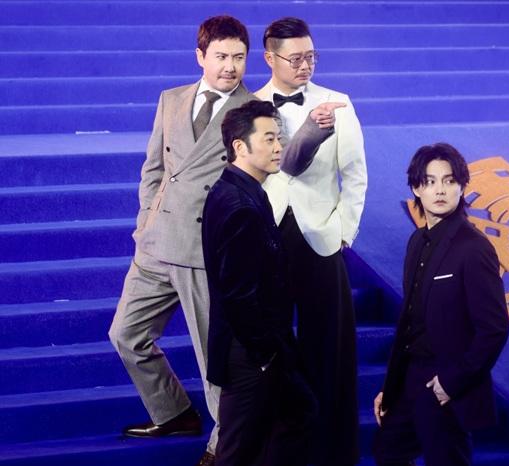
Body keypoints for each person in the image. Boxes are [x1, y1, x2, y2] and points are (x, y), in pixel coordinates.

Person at [108, 15, 340, 466]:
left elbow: (287, 159)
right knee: (125, 335)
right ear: (200, 56)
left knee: (214, 360)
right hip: (156, 244)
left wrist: (315, 130)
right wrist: (145, 222)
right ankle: (172, 411)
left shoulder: (254, 108)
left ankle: (222, 446)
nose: (230, 66)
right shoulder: (171, 99)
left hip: (204, 251)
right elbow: (154, 168)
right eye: (221, 56)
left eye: (238, 57)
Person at [254, 17, 368, 466]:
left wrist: (343, 232)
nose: (305, 66)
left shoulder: (337, 102)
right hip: (267, 238)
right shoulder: (249, 104)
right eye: (295, 58)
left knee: (331, 349)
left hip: (321, 237)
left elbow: (354, 174)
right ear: (270, 58)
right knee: (272, 348)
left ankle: (335, 454)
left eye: (311, 57)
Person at [203, 100, 334, 466]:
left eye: (279, 138)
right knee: (237, 451)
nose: (279, 147)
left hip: (264, 348)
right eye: (269, 139)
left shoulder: (244, 190)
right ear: (240, 146)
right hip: (251, 353)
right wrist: (264, 354)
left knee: (299, 413)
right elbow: (238, 294)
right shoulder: (240, 205)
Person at [373, 143, 509, 466]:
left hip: (445, 380)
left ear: (462, 187)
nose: (440, 190)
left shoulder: (474, 247)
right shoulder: (416, 241)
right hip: (410, 375)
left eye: (449, 181)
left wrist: (450, 383)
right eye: (430, 181)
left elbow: (494, 328)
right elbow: (409, 322)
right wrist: (391, 387)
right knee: (387, 451)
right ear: (416, 188)